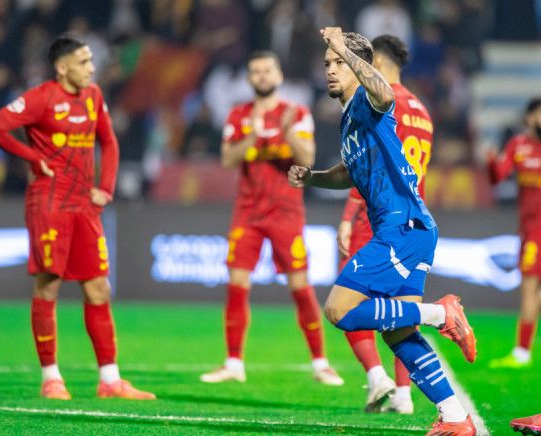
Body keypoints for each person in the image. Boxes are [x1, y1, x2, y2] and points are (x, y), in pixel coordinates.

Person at [288, 27, 476, 435]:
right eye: (327, 64)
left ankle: (442, 313)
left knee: (338, 311)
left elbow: (387, 95)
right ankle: (457, 418)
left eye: (337, 62)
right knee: (397, 332)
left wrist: (344, 48)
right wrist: (314, 178)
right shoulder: (349, 119)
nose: (331, 70)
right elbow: (348, 172)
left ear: (361, 65)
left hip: (401, 228)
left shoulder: (368, 101)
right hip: (413, 228)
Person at [0, 34, 154, 401]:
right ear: (63, 67)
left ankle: (110, 381)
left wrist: (105, 188)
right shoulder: (41, 97)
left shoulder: (94, 97)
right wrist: (31, 157)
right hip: (49, 201)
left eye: (92, 61)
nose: (92, 68)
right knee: (49, 285)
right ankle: (51, 379)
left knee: (98, 288)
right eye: (85, 62)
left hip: (84, 205)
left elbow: (109, 141)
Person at [200, 50, 344, 386]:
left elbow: (308, 157)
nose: (262, 76)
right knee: (237, 286)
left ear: (278, 76)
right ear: (250, 79)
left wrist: (286, 132)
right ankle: (233, 363)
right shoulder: (238, 115)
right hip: (248, 212)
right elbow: (227, 159)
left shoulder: (295, 113)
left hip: (285, 212)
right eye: (256, 72)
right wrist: (252, 135)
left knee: (300, 286)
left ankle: (320, 362)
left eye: (267, 70)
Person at [336, 34, 433, 414]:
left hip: (378, 216)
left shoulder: (379, 100)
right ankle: (405, 395)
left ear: (373, 59)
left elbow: (374, 163)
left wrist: (348, 215)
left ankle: (377, 378)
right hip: (415, 218)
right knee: (400, 305)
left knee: (347, 298)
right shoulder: (422, 110)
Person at [487, 97, 541, 369]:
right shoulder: (519, 146)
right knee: (531, 290)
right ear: (529, 118)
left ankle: (522, 351)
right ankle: (523, 350)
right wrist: (491, 162)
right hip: (530, 229)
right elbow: (498, 177)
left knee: (530, 290)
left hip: (537, 233)